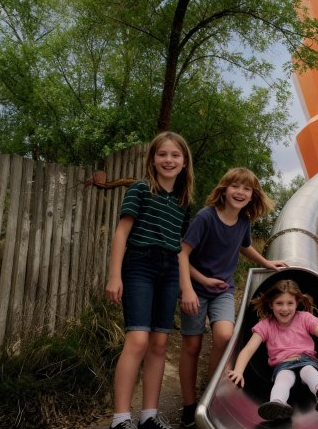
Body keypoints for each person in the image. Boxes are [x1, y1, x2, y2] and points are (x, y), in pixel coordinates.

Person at [177, 167, 288, 428]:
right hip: (195, 287)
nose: (240, 192)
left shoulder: (243, 222)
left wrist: (267, 262)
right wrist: (192, 287)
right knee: (192, 346)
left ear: (252, 196)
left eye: (246, 189)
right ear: (224, 190)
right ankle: (188, 404)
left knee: (225, 336)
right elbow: (181, 253)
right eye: (235, 186)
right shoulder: (206, 218)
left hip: (222, 290)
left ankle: (210, 390)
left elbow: (244, 246)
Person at [104, 132, 194, 429]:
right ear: (152, 160)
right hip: (139, 265)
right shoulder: (140, 190)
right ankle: (120, 419)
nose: (168, 160)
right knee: (138, 339)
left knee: (159, 342)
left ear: (184, 163)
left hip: (169, 270)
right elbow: (121, 233)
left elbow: (180, 247)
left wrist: (185, 285)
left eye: (175, 155)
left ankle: (149, 417)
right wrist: (115, 275)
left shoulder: (183, 201)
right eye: (162, 154)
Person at [226, 279, 318, 421]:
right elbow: (248, 350)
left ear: (297, 303)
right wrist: (238, 370)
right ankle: (277, 404)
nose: (285, 308)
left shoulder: (305, 318)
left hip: (306, 360)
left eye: (290, 303)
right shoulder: (265, 325)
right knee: (283, 379)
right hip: (283, 365)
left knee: (309, 372)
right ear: (270, 304)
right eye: (279, 303)